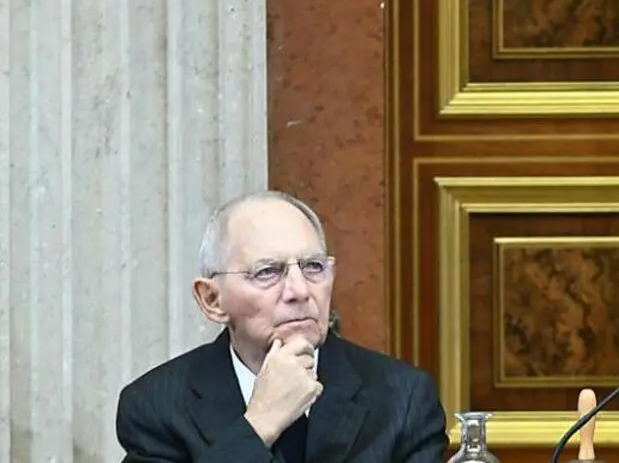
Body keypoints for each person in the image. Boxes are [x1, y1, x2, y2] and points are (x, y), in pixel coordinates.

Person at [115, 191, 448, 462]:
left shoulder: (403, 398)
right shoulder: (157, 406)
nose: (299, 291)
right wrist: (260, 424)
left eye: (313, 267)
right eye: (268, 272)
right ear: (212, 300)